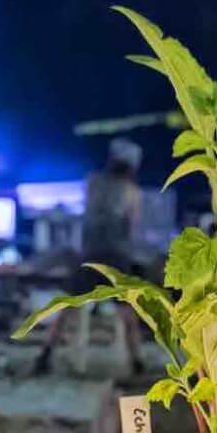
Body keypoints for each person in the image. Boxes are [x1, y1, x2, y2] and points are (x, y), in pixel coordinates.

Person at [39, 140, 149, 377]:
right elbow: (131, 228)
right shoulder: (132, 193)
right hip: (116, 257)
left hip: (89, 255)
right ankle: (137, 360)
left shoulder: (93, 182)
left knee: (67, 305)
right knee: (127, 312)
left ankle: (46, 353)